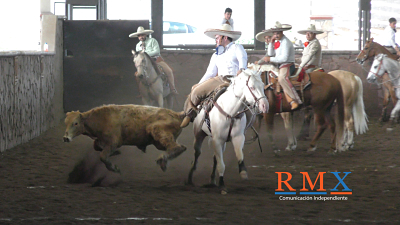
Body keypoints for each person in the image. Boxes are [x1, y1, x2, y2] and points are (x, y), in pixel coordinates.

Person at [180, 24, 247, 128]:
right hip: (220, 79)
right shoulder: (216, 54)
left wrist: (242, 69)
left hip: (235, 79)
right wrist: (199, 84)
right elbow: (210, 73)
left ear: (224, 37)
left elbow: (242, 59)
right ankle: (189, 113)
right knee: (195, 90)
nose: (215, 40)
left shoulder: (237, 47)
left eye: (217, 37)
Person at [262, 21, 302, 110]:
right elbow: (270, 53)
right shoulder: (278, 42)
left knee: (282, 78)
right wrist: (271, 43)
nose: (276, 35)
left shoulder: (286, 42)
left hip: (287, 65)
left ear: (282, 33)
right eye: (275, 33)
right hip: (280, 65)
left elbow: (284, 58)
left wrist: (270, 59)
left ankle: (294, 100)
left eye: (278, 33)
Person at [129, 26, 178, 94]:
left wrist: (145, 54)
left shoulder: (152, 41)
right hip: (145, 63)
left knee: (168, 70)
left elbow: (156, 51)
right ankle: (141, 91)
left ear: (146, 34)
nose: (141, 37)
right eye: (139, 35)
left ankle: (172, 89)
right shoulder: (138, 45)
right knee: (137, 75)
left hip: (156, 60)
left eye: (142, 35)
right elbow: (139, 56)